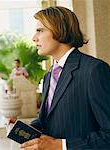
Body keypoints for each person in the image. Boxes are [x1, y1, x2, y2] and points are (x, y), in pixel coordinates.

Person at [19, 6, 110, 149]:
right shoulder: (49, 76)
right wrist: (21, 129)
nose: (34, 38)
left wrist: (61, 145)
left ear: (59, 29)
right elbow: (49, 120)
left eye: (40, 30)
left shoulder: (94, 70)